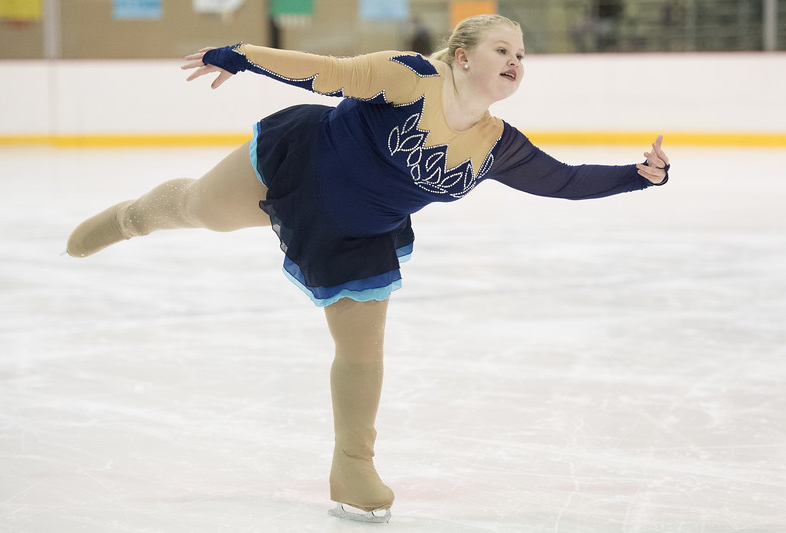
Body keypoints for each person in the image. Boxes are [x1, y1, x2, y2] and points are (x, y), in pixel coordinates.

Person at [66, 14, 670, 523]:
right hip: (297, 166)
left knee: (363, 351)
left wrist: (635, 177)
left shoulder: (495, 142)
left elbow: (559, 180)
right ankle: (131, 218)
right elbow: (326, 73)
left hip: (358, 236)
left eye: (521, 54)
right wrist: (242, 56)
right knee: (202, 209)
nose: (516, 61)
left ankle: (351, 466)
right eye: (502, 49)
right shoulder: (410, 77)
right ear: (461, 57)